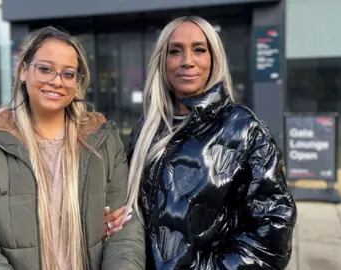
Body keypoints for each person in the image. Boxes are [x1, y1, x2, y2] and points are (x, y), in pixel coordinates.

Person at [0, 26, 145, 270]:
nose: (56, 81)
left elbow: (125, 230)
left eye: (68, 74)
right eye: (45, 69)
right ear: (23, 71)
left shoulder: (103, 141)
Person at [125, 16, 297, 270]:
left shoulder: (244, 129)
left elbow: (271, 230)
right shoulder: (147, 130)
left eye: (199, 50)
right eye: (175, 51)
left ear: (213, 58)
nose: (187, 61)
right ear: (163, 61)